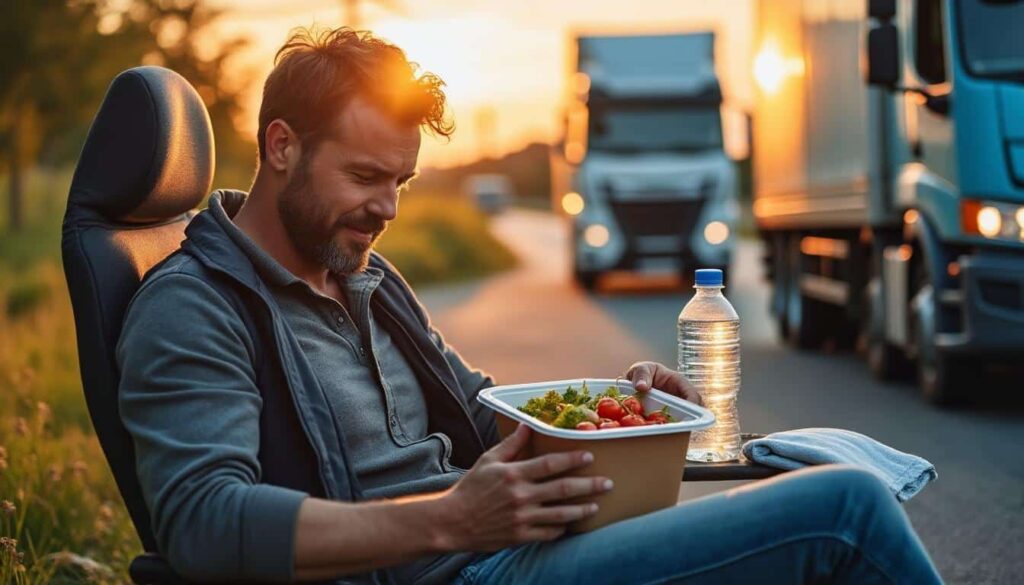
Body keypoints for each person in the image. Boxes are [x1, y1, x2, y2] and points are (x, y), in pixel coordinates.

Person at [116, 27, 944, 584]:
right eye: (366, 177)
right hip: (464, 566)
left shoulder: (366, 276)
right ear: (282, 146)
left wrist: (619, 410)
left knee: (813, 467)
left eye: (400, 183)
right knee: (844, 512)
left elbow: (484, 418)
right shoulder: (194, 308)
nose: (388, 208)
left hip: (499, 539)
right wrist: (450, 519)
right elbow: (202, 521)